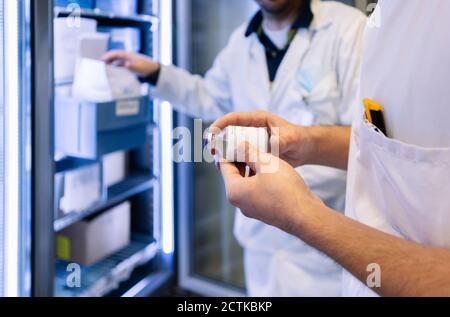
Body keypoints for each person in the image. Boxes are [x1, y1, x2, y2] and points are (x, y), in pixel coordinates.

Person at [103, 0, 367, 296]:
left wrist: (305, 141)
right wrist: (154, 73)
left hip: (326, 253)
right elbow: (207, 97)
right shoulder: (241, 43)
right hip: (260, 247)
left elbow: (367, 141)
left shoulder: (348, 29)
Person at [213, 0, 450, 296]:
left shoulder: (351, 27)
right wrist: (306, 141)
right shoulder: (387, 19)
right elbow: (372, 143)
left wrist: (301, 214)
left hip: (326, 265)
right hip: (286, 261)